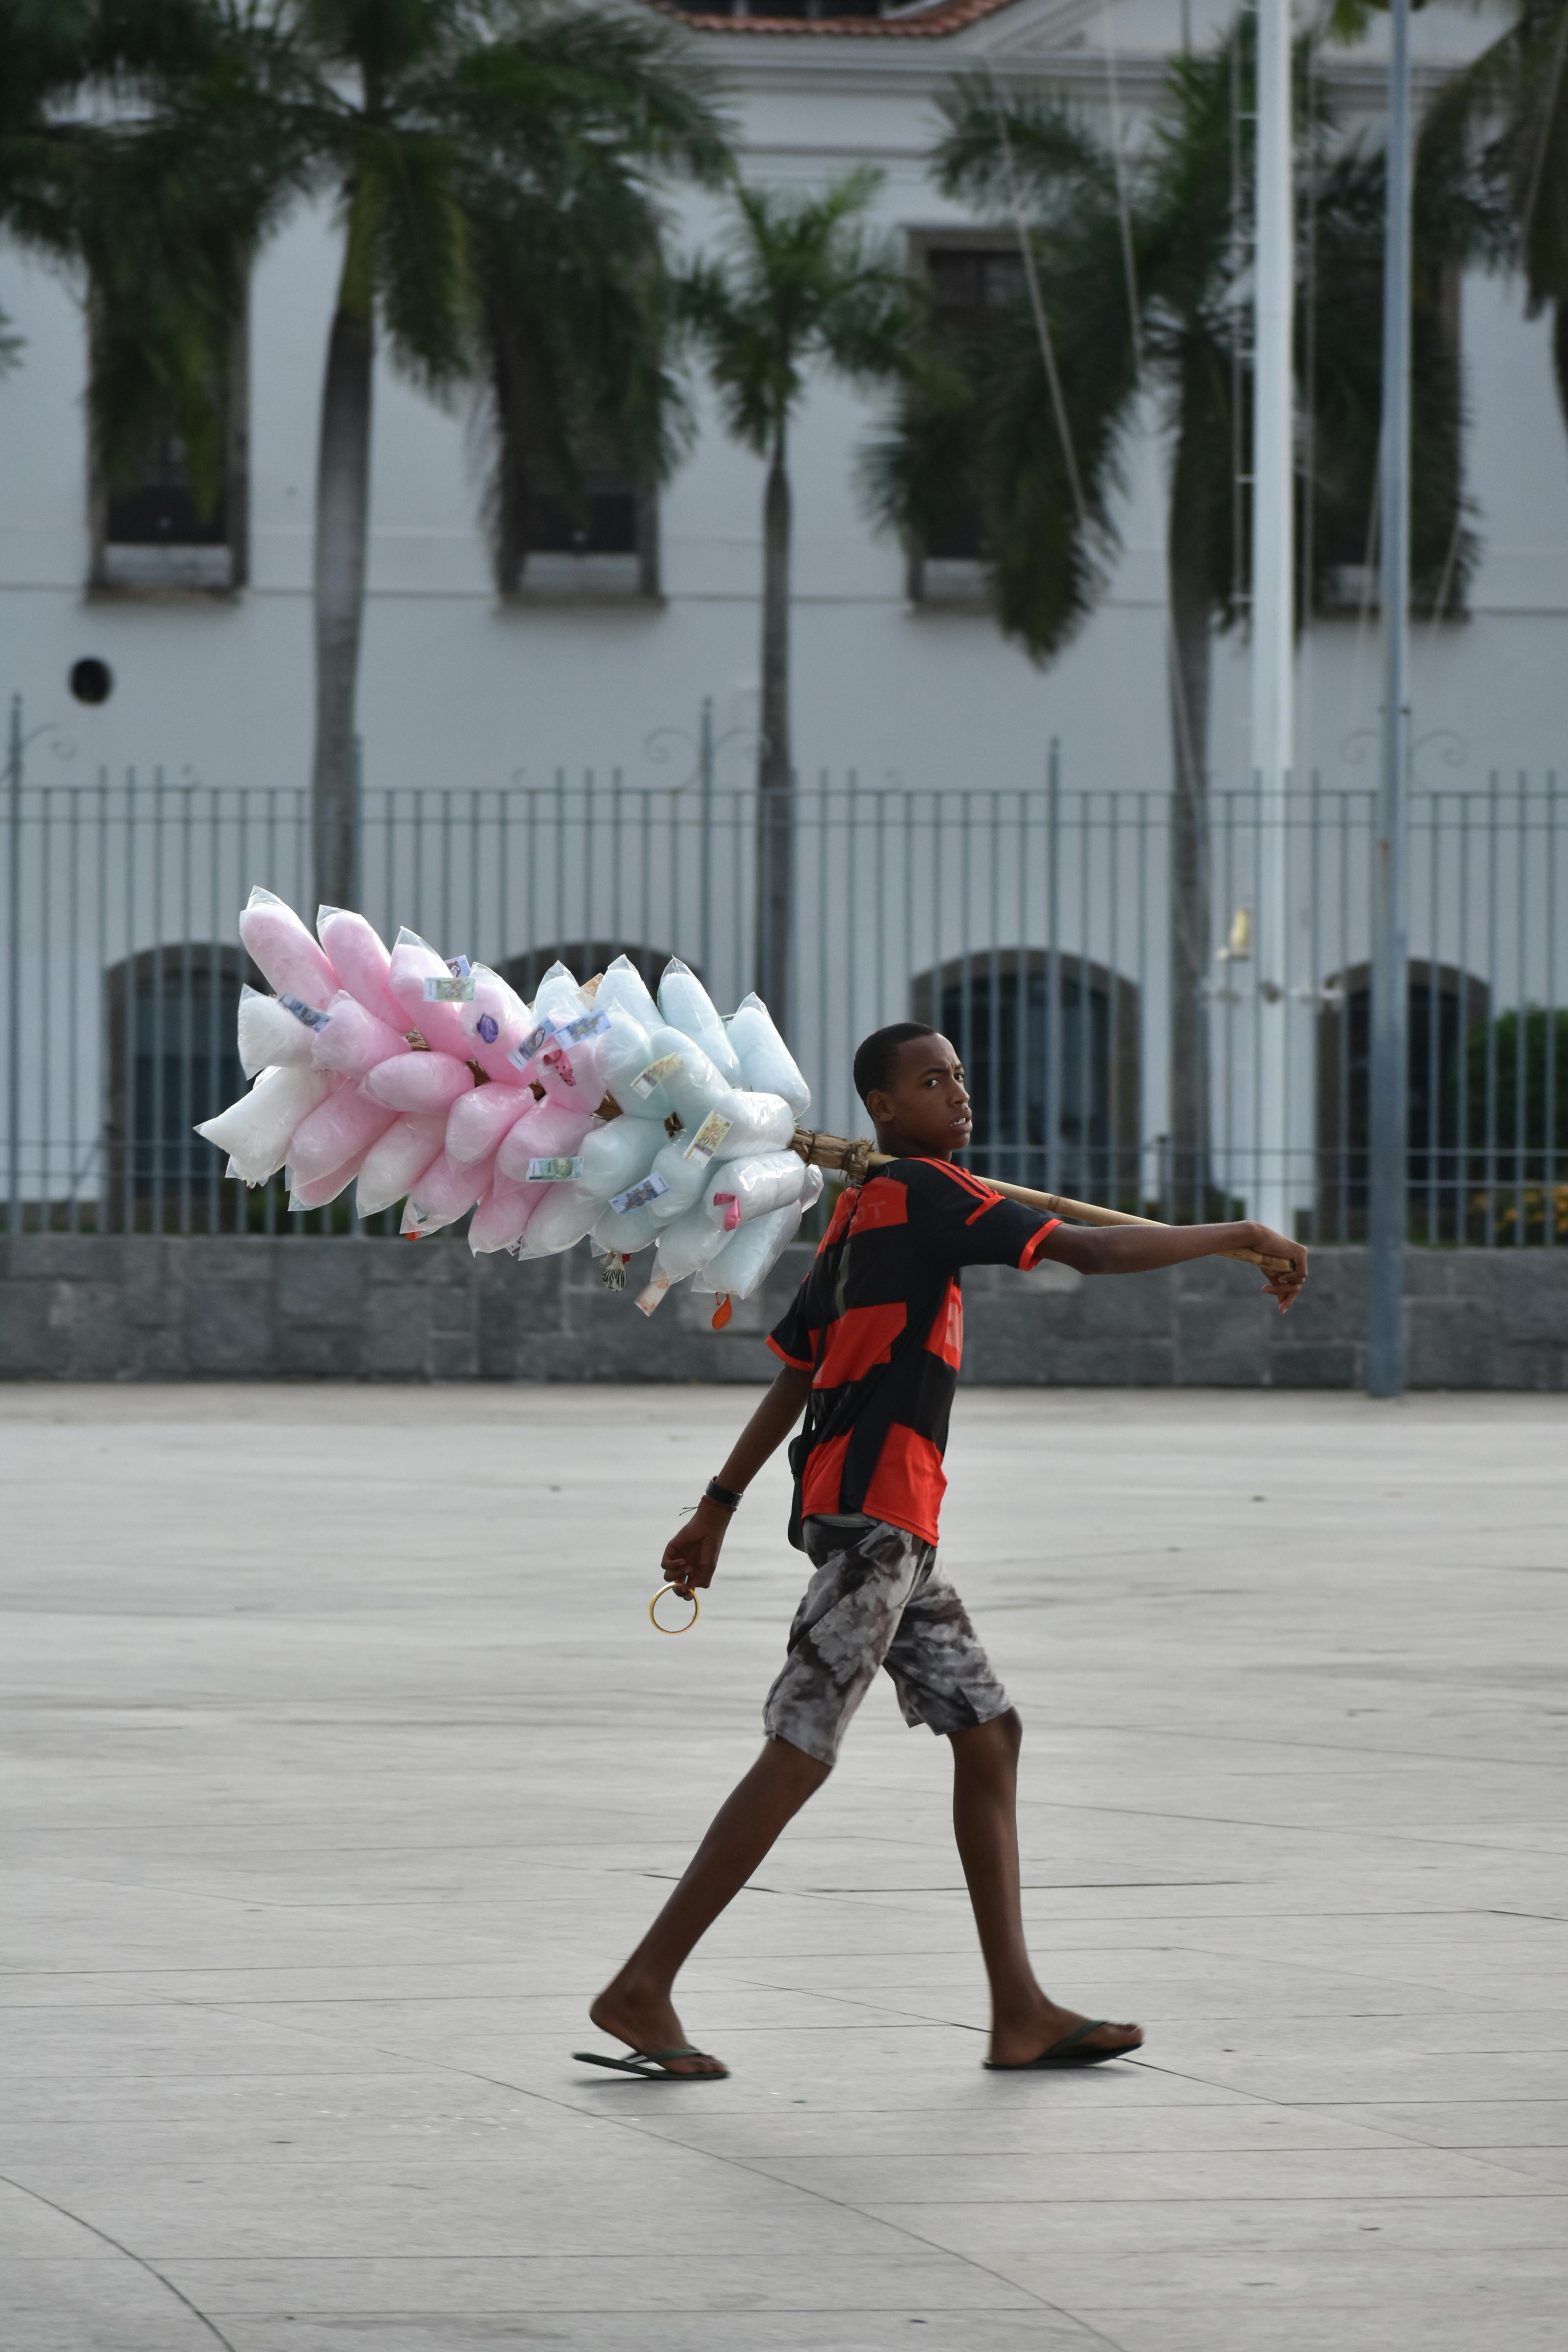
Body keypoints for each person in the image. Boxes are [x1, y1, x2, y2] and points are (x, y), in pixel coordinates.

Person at [577, 1022, 1307, 2081]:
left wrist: (718, 1507)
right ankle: (641, 1986)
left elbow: (795, 1374)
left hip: (885, 1519)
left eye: (962, 1076)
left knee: (989, 1733)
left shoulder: (863, 1214)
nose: (957, 1095)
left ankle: (1020, 2012)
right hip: (877, 1518)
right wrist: (1236, 1231)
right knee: (803, 1739)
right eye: (932, 1081)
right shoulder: (925, 1194)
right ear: (881, 1106)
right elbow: (1092, 1251)